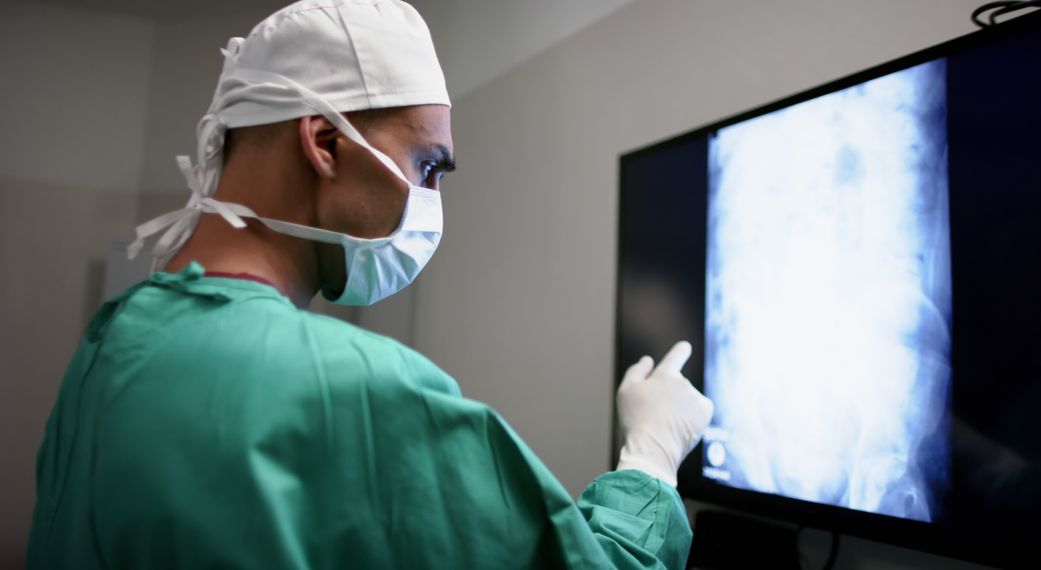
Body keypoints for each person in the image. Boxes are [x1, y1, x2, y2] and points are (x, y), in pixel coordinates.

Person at [28, 1, 714, 568]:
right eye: (427, 167)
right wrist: (649, 462)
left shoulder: (112, 341)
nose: (431, 199)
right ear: (324, 143)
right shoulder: (346, 390)